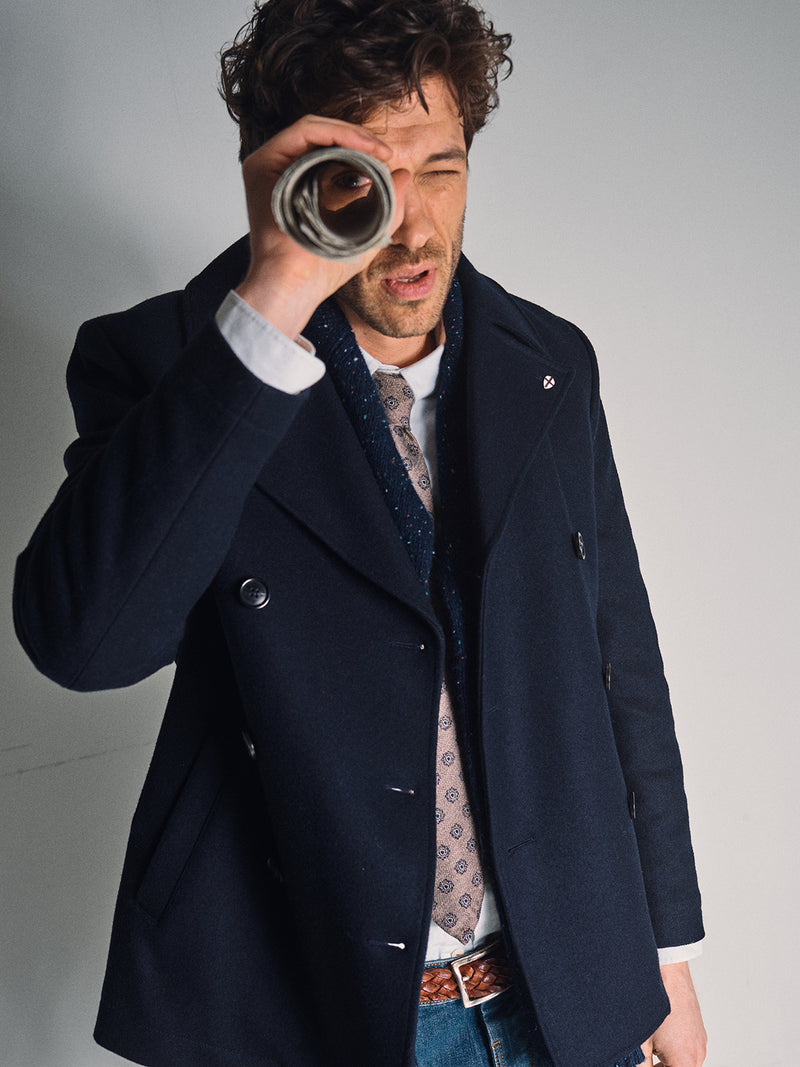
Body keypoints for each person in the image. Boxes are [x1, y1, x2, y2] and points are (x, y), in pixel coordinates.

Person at [12, 2, 707, 1065]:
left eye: (441, 169)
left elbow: (621, 664)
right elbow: (86, 642)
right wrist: (272, 299)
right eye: (369, 177)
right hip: (316, 1014)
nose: (414, 227)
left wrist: (665, 953)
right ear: (286, 171)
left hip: (568, 989)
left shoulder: (548, 362)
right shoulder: (174, 364)